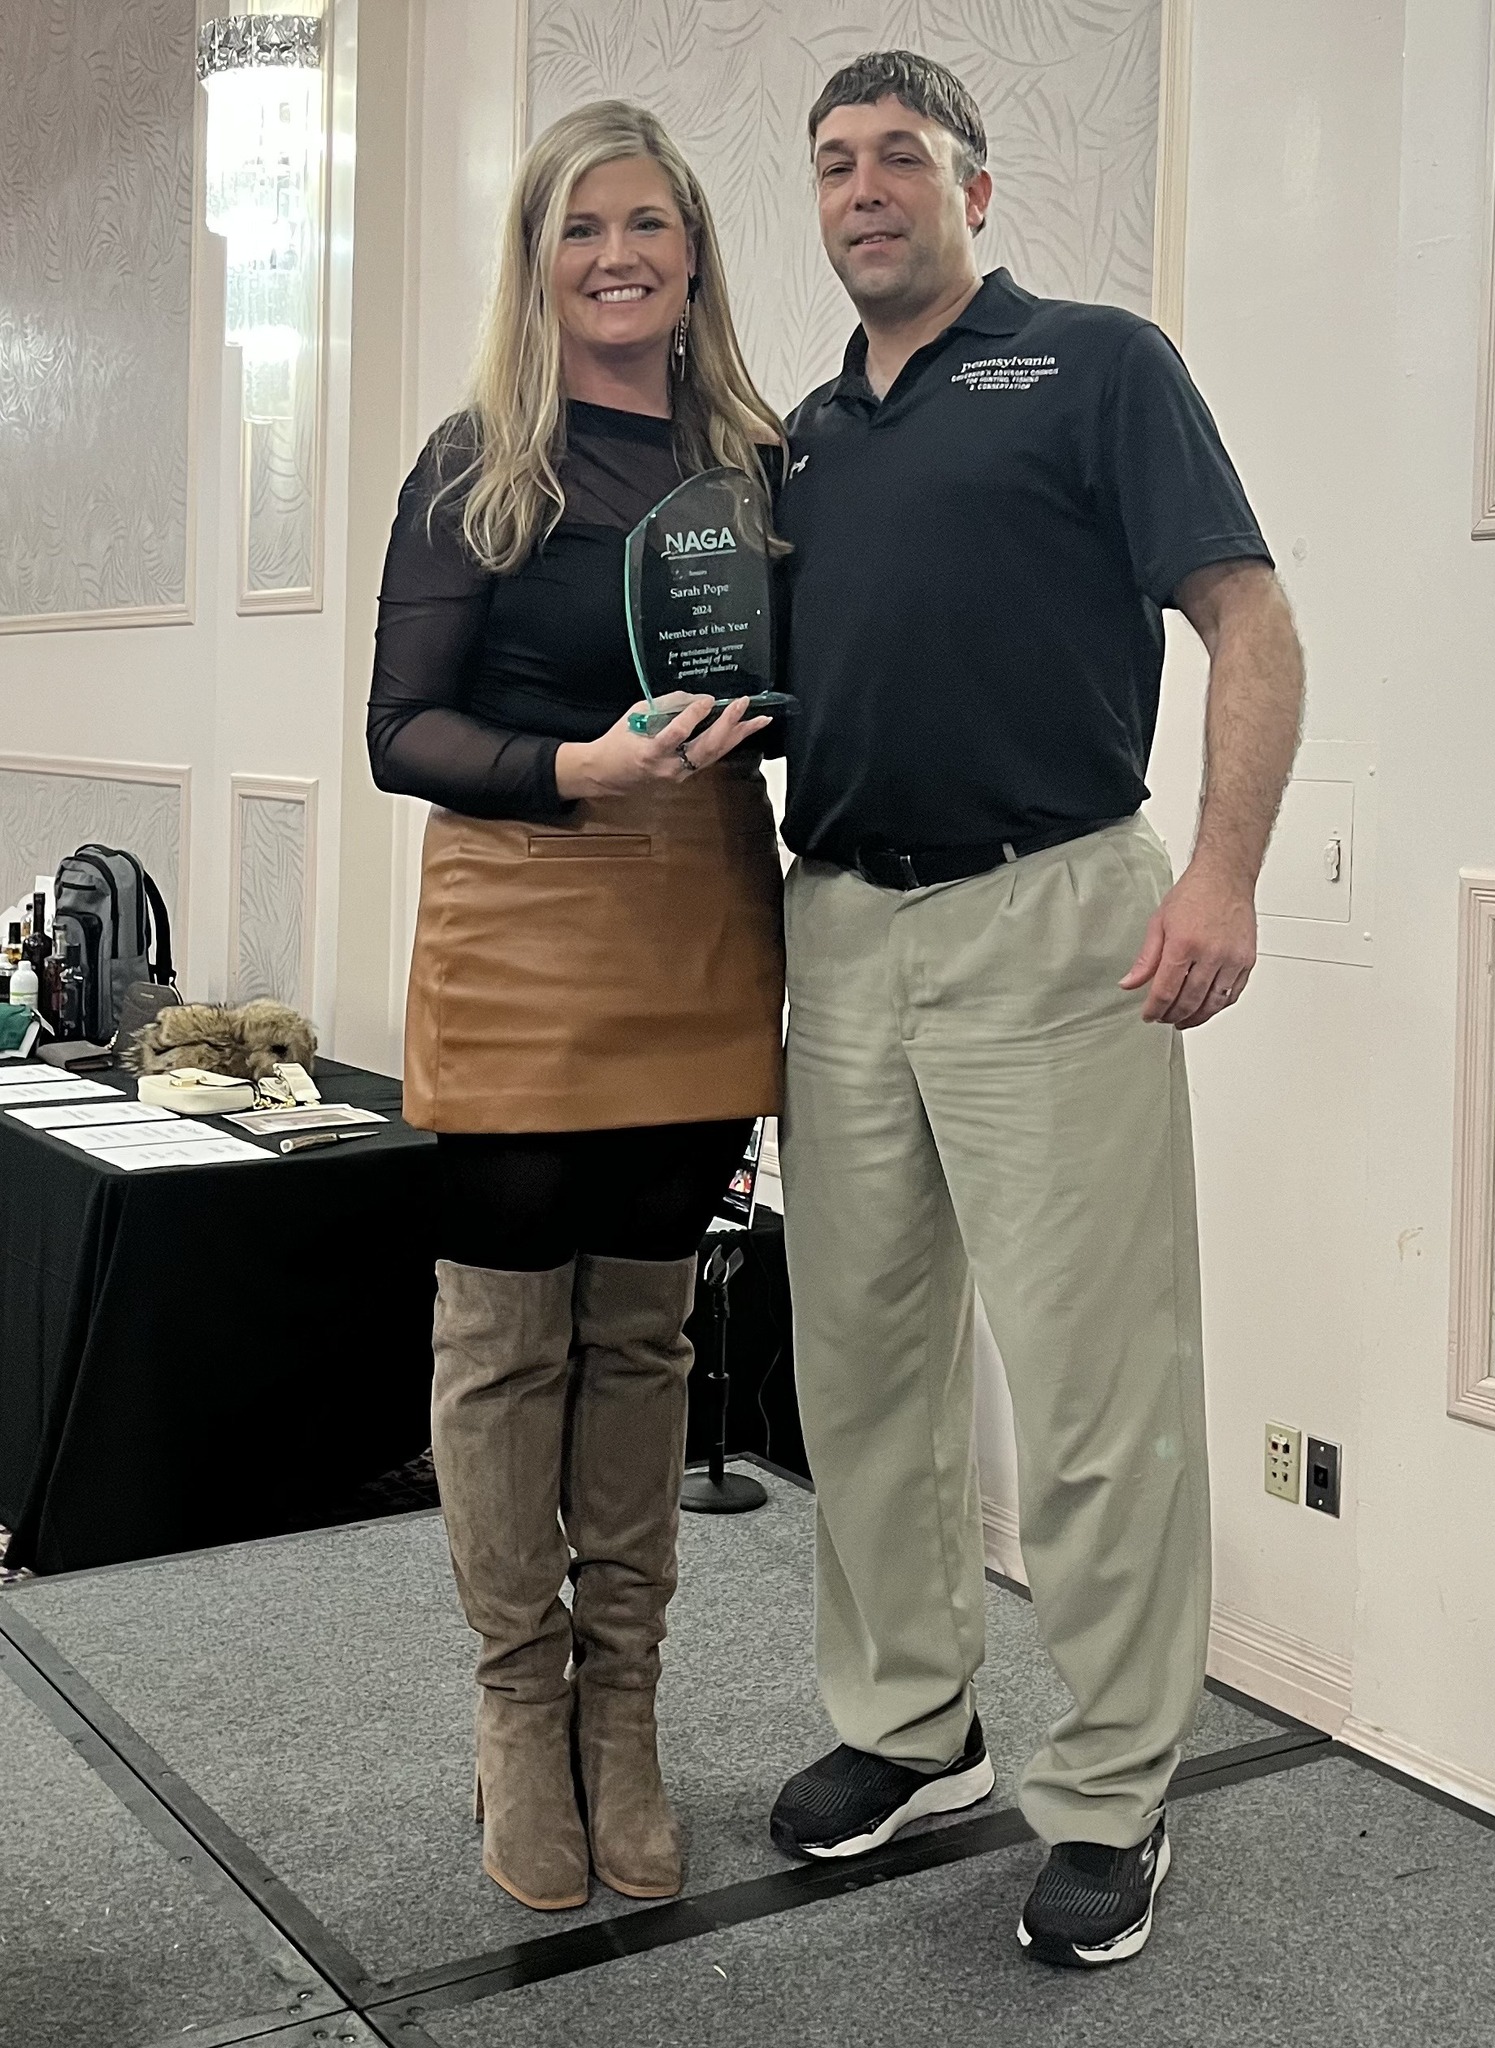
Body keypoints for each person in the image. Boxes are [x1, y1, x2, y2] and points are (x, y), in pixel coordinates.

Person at [767, 50, 1305, 1970]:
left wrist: (1223, 874)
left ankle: (1111, 1796)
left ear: (975, 190)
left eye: (900, 158)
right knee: (863, 1374)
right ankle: (916, 1729)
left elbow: (1248, 619)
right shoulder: (801, 438)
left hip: (1054, 916)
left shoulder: (1096, 365)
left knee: (1092, 1390)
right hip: (837, 933)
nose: (864, 190)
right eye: (834, 165)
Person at [368, 100, 786, 1913]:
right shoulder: (479, 460)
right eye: (580, 229)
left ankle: (625, 1718)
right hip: (522, 912)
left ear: (693, 253)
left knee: (643, 1332)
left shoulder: (759, 461)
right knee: (504, 1334)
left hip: (700, 914)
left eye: (647, 225)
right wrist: (575, 768)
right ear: (536, 262)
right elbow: (401, 731)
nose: (618, 257)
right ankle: (516, 1708)